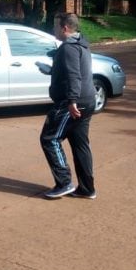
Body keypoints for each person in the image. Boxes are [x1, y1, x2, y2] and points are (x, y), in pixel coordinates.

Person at [39, 12, 97, 199]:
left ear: (64, 28)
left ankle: (64, 183)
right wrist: (52, 70)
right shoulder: (81, 44)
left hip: (72, 102)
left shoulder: (68, 48)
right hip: (87, 100)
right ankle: (87, 189)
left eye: (55, 26)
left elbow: (74, 75)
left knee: (49, 138)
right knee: (80, 144)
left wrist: (72, 100)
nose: (53, 29)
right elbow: (74, 71)